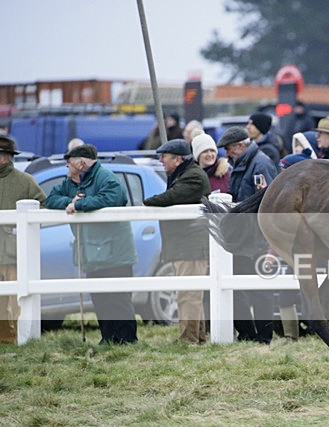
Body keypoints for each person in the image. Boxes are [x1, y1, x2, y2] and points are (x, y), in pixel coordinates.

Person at [44, 144, 138, 344]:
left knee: (118, 298)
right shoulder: (71, 182)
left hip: (115, 251)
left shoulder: (107, 178)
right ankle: (108, 337)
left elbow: (116, 198)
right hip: (91, 251)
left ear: (81, 163)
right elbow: (51, 199)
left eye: (69, 164)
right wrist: (71, 202)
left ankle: (127, 339)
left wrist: (79, 205)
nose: (67, 168)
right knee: (100, 297)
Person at [143, 139, 211, 344]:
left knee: (188, 293)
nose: (161, 160)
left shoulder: (192, 177)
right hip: (187, 243)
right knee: (190, 292)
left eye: (165, 156)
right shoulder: (185, 174)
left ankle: (189, 338)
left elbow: (172, 197)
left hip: (190, 245)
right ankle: (196, 337)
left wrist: (148, 201)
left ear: (178, 159)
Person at [216, 126, 278, 343]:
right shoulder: (246, 163)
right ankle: (252, 335)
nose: (226, 154)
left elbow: (270, 202)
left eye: (228, 149)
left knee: (260, 290)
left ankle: (263, 338)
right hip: (247, 237)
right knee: (244, 288)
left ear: (240, 146)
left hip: (257, 238)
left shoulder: (260, 164)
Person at [0, 135, 46, 344]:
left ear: (5, 158)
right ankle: (4, 336)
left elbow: (42, 208)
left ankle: (20, 337)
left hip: (14, 251)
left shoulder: (25, 181)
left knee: (17, 298)